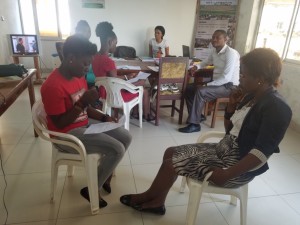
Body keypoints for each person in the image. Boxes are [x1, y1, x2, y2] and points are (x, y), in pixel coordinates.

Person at [119, 48, 292, 215]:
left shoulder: (276, 108)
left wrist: (227, 174)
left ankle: (149, 197)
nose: (240, 78)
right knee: (170, 152)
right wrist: (231, 108)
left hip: (236, 165)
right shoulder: (251, 96)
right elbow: (230, 131)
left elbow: (262, 152)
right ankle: (158, 202)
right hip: (225, 149)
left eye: (244, 74)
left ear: (260, 78)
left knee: (170, 164)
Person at [41, 35, 132, 208]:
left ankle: (104, 175)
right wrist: (83, 102)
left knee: (126, 137)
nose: (87, 68)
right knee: (117, 149)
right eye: (85, 63)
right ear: (70, 59)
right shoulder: (52, 86)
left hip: (84, 124)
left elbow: (84, 109)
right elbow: (60, 123)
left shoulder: (78, 75)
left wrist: (105, 118)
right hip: (66, 135)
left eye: (89, 63)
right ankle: (92, 188)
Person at [179, 29, 240, 133]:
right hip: (218, 84)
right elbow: (206, 62)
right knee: (188, 89)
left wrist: (207, 84)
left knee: (201, 91)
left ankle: (195, 124)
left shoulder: (231, 53)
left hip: (229, 86)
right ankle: (198, 116)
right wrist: (196, 67)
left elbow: (226, 78)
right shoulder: (214, 51)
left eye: (218, 37)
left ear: (226, 39)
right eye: (213, 37)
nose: (214, 40)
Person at [92, 21, 155, 121]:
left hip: (103, 90)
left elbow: (110, 78)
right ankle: (146, 114)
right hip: (114, 93)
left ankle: (135, 113)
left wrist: (129, 77)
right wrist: (128, 77)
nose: (116, 46)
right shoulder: (108, 61)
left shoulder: (95, 56)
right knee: (142, 84)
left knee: (139, 83)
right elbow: (115, 81)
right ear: (110, 42)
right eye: (116, 43)